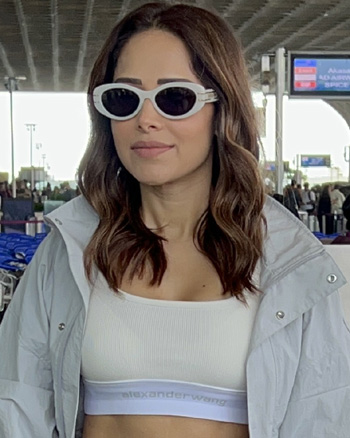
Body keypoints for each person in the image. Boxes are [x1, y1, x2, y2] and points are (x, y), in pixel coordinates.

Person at [0, 3, 349, 438]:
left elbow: (323, 419)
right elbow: (17, 407)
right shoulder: (68, 253)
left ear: (222, 109)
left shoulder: (291, 264)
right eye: (124, 99)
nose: (145, 120)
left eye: (174, 98)